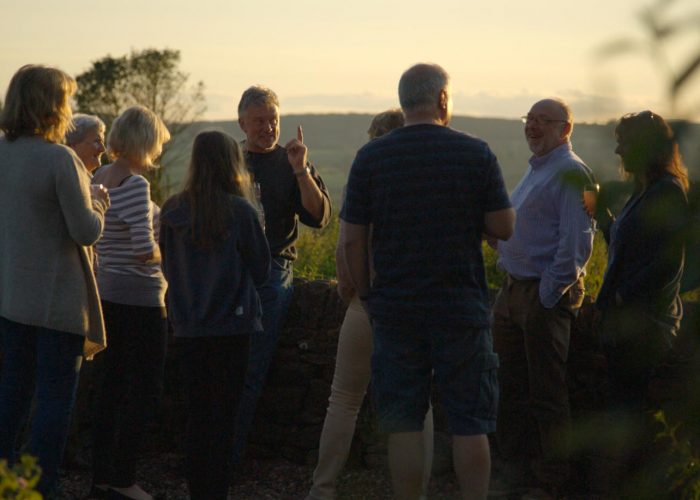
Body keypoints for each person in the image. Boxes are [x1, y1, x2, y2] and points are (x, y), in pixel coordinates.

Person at [341, 63, 515, 500]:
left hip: (396, 309)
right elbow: (504, 226)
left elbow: (352, 240)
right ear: (442, 99)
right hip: (460, 308)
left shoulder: (371, 157)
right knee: (469, 424)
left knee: (404, 424)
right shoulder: (476, 153)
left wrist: (367, 294)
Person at [307, 110, 434, 500]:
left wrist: (354, 288)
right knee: (418, 406)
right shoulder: (427, 184)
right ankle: (414, 493)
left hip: (368, 301)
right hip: (413, 304)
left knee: (343, 400)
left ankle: (323, 488)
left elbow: (348, 242)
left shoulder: (367, 177)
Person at [0, 64, 109, 497]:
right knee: (52, 404)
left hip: (11, 300)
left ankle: (9, 485)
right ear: (52, 106)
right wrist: (98, 201)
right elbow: (85, 231)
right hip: (58, 304)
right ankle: (41, 489)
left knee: (10, 399)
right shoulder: (59, 159)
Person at [491, 98, 595, 496]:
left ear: (566, 129)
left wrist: (546, 298)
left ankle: (551, 483)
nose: (532, 127)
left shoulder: (575, 175)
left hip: (542, 298)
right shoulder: (539, 170)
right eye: (529, 119)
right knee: (511, 389)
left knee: (547, 395)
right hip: (514, 291)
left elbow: (577, 249)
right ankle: (514, 475)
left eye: (543, 121)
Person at [159, 131, 270, 500]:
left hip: (187, 326)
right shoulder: (240, 212)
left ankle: (196, 492)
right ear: (230, 163)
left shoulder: (173, 210)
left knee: (197, 414)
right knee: (224, 417)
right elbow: (262, 270)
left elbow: (168, 267)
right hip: (232, 326)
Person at [232, 85, 332, 463]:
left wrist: (301, 170)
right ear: (242, 122)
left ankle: (228, 458)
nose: (268, 127)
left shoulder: (290, 161)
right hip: (230, 271)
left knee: (252, 367)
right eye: (259, 121)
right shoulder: (231, 162)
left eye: (273, 119)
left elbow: (319, 217)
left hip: (272, 270)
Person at [88, 106, 170, 500]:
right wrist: (168, 250)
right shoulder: (135, 185)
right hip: (141, 300)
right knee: (144, 391)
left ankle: (101, 476)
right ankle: (124, 479)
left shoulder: (98, 177)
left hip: (106, 295)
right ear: (147, 141)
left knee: (109, 388)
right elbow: (143, 250)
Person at [597, 111, 689, 410]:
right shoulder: (644, 190)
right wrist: (603, 218)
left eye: (623, 142)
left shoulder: (667, 191)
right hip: (629, 324)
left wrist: (623, 296)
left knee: (630, 409)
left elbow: (669, 262)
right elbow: (628, 250)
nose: (617, 151)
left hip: (646, 327)